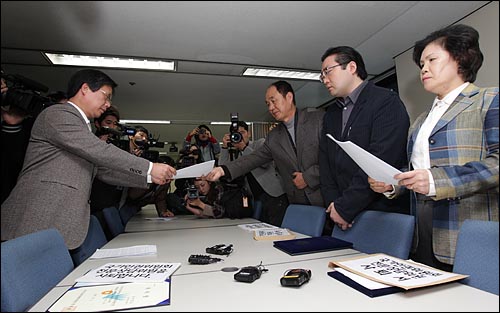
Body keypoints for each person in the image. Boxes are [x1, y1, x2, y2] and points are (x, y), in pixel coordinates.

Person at [368, 24, 498, 271]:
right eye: (421, 64)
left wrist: (437, 180)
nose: (424, 68)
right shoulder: (420, 120)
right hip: (423, 232)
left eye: (431, 59)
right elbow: (419, 172)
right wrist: (392, 183)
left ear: (460, 58)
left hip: (470, 234)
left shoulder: (489, 100)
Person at [1, 69, 176, 249]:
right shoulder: (58, 114)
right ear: (85, 88)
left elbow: (102, 170)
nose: (108, 104)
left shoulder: (81, 127)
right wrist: (149, 167)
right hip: (35, 219)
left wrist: (149, 177)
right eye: (106, 96)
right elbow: (100, 150)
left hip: (55, 224)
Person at [318, 46, 410, 233]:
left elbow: (381, 158)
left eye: (328, 71)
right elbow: (326, 162)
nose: (325, 80)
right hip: (341, 213)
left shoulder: (385, 101)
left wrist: (346, 207)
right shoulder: (331, 114)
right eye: (322, 76)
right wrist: (334, 205)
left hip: (380, 211)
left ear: (351, 67)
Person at [205, 80, 325, 222]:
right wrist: (223, 170)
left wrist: (308, 177)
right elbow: (253, 158)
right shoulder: (274, 136)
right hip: (298, 205)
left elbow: (333, 159)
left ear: (289, 97)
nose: (271, 108)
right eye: (268, 104)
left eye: (273, 101)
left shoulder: (318, 120)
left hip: (326, 199)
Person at [218, 120, 289, 226]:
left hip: (273, 194)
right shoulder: (237, 155)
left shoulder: (260, 143)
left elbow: (264, 163)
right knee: (262, 227)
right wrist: (224, 148)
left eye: (242, 133)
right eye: (236, 134)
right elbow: (224, 171)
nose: (240, 136)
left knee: (277, 227)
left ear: (249, 133)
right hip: (255, 198)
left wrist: (243, 147)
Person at [184, 177, 252, 219]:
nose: (201, 189)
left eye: (202, 185)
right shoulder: (208, 193)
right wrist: (190, 207)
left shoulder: (218, 188)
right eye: (198, 187)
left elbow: (219, 213)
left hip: (238, 220)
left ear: (209, 182)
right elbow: (210, 214)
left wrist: (200, 204)